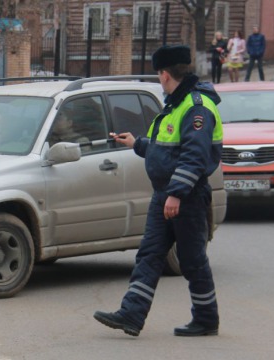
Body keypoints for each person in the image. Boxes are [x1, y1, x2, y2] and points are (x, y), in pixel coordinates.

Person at [93, 45, 223, 337]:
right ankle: (131, 315)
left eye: (158, 75)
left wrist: (176, 193)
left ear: (164, 75)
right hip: (164, 194)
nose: (158, 80)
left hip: (186, 197)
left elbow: (194, 155)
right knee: (149, 254)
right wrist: (137, 143)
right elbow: (165, 149)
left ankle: (206, 319)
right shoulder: (175, 106)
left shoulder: (196, 107)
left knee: (192, 261)